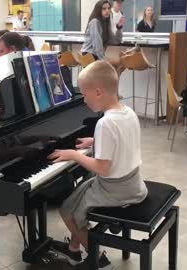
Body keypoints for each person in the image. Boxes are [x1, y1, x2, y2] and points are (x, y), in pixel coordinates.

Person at [48, 60, 147, 269]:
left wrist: (74, 155)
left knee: (67, 209)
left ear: (99, 92)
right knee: (79, 192)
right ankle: (73, 250)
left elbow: (102, 168)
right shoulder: (128, 112)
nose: (83, 100)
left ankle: (96, 259)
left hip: (116, 190)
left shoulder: (105, 123)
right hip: (133, 183)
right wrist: (94, 141)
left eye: (84, 94)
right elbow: (121, 140)